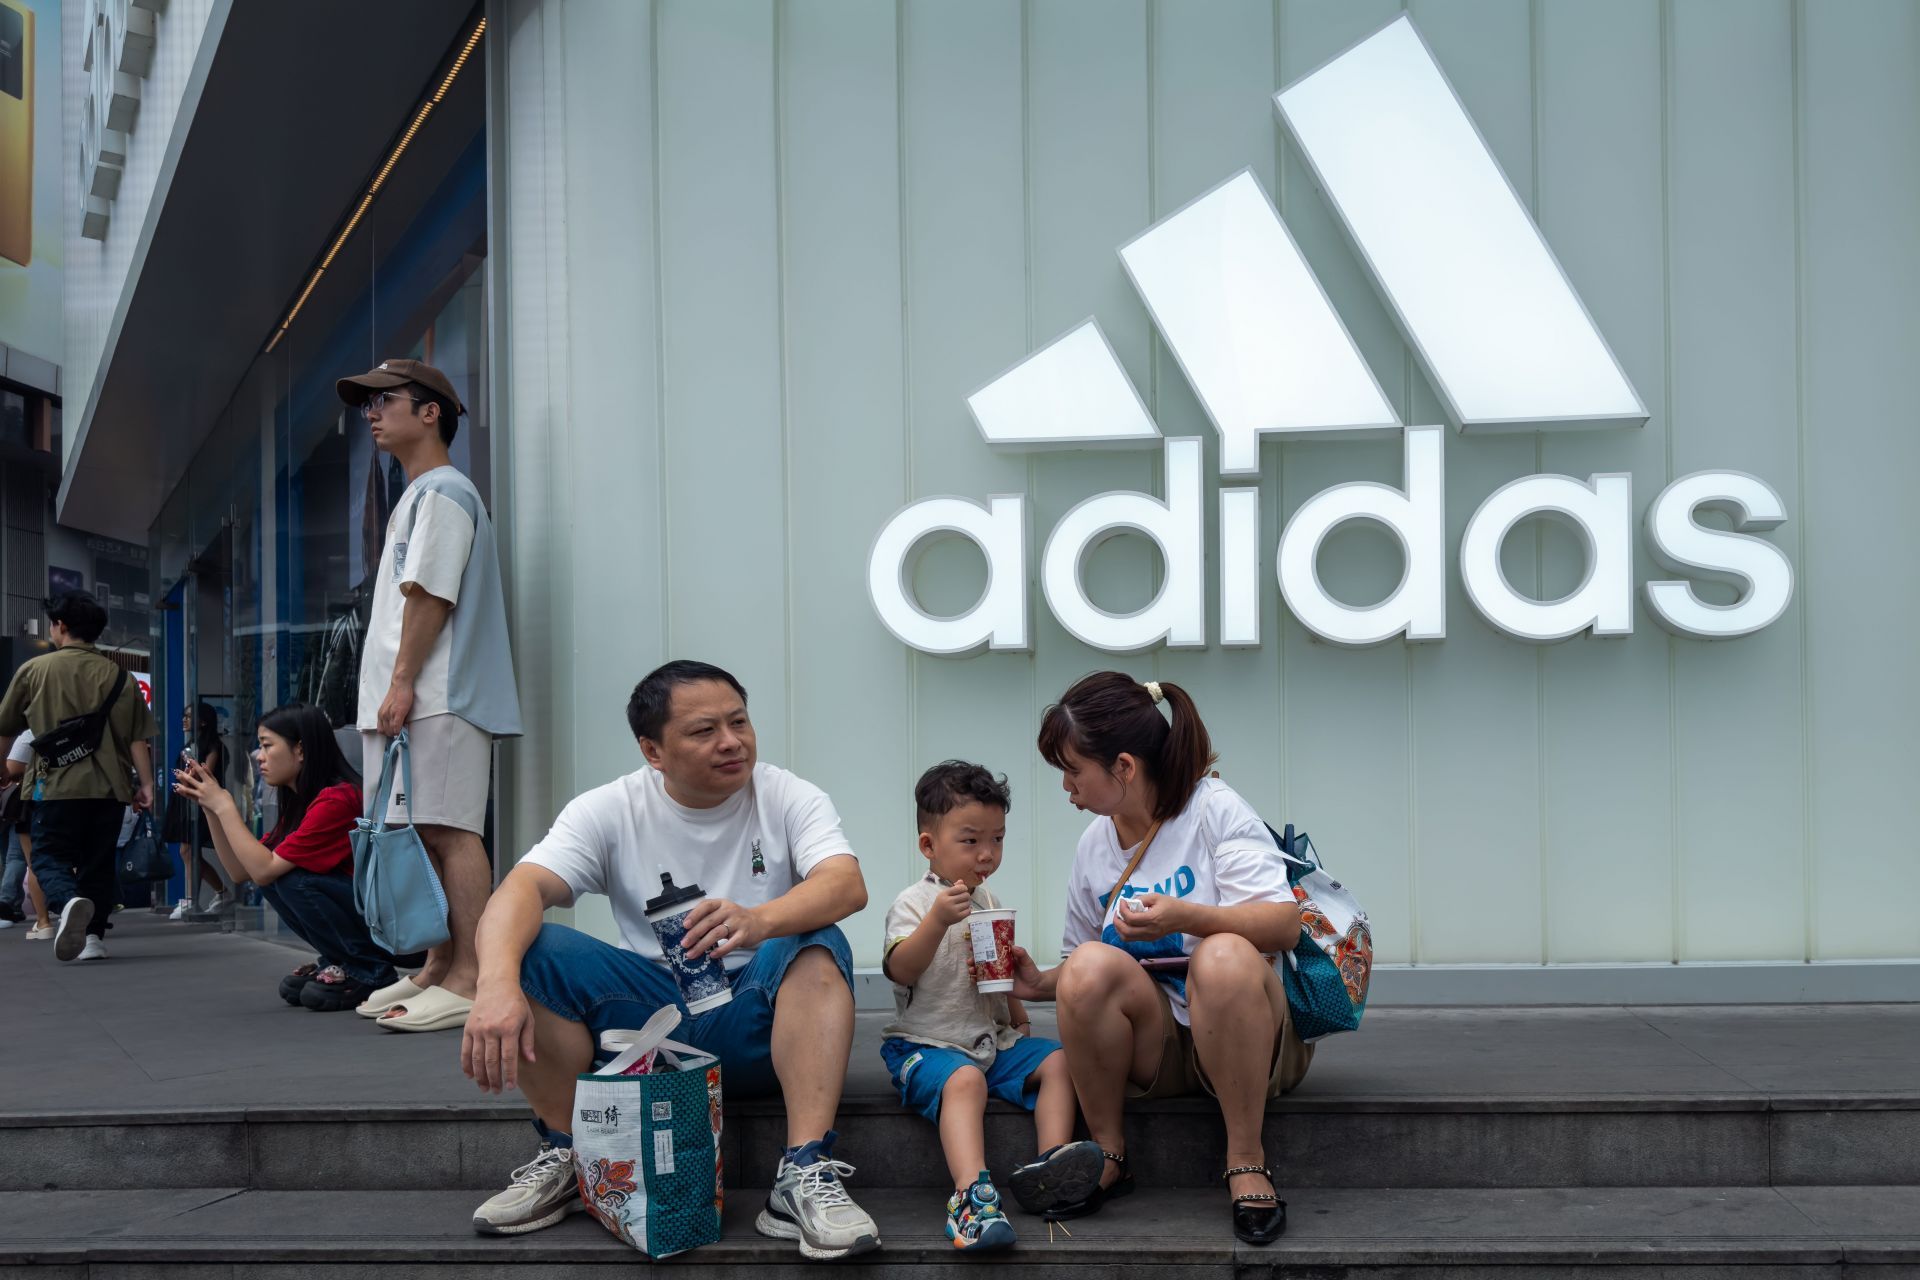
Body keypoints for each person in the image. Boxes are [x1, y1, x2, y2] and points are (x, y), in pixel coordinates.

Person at [461, 660, 880, 1260]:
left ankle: (802, 1170)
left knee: (815, 938)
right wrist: (495, 985)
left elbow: (846, 883)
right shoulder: (608, 809)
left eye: (739, 721)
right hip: (653, 1033)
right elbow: (520, 890)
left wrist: (759, 920)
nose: (732, 741)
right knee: (534, 949)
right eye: (704, 730)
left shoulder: (787, 794)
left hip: (758, 1021)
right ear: (653, 751)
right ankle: (573, 1158)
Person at [1006, 672, 1311, 1245]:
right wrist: (1038, 981)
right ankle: (1108, 1155)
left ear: (1123, 766)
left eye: (1073, 770)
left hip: (1251, 1034)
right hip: (1162, 1045)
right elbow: (1086, 967)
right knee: (1090, 965)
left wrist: (1186, 917)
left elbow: (1283, 924)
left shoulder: (1212, 808)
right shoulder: (1095, 843)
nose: (1066, 786)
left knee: (1220, 956)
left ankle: (1246, 1159)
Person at [335, 359, 521, 1032]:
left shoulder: (444, 492)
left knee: (450, 831)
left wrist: (404, 681)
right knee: (421, 833)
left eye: (385, 400)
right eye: (369, 403)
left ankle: (474, 976)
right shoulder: (422, 494)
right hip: (416, 697)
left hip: (440, 695)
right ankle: (439, 966)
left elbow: (431, 595)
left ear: (431, 411)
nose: (373, 413)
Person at [879, 761, 1098, 1252]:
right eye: (971, 840)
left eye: (997, 839)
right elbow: (901, 969)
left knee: (1059, 1061)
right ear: (929, 846)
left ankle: (1051, 1165)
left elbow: (987, 979)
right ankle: (971, 1197)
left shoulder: (987, 899)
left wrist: (1015, 1008)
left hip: (988, 1039)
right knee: (965, 1080)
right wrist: (935, 923)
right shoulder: (915, 904)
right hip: (927, 1046)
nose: (987, 854)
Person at [173, 703, 418, 1010]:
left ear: (300, 750)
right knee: (276, 875)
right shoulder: (302, 802)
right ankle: (339, 960)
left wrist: (225, 806)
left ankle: (369, 971)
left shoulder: (337, 799)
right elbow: (241, 871)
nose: (258, 757)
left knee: (289, 877)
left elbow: (263, 870)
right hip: (371, 920)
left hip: (399, 933)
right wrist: (211, 808)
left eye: (266, 745)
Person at [0, 593, 159, 962]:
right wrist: (147, 785)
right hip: (109, 788)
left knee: (48, 856)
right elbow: (137, 738)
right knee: (98, 862)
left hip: (54, 785)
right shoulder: (121, 677)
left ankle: (69, 900)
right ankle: (93, 939)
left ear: (61, 627)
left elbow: (5, 727)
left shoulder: (34, 670)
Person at [164, 703, 232, 920]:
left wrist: (188, 775)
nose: (184, 720)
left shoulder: (213, 746)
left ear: (203, 721)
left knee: (189, 851)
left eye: (189, 716)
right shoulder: (190, 745)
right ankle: (221, 893)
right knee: (189, 852)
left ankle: (193, 900)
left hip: (200, 802)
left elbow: (204, 773)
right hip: (185, 801)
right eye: (184, 716)